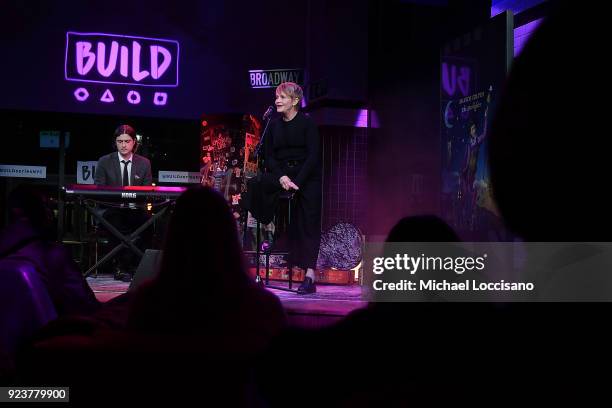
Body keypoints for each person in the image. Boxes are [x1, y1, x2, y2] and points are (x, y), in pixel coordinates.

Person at [264, 82, 322, 294]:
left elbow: (313, 156)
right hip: (284, 176)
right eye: (277, 96)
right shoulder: (273, 125)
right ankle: (267, 249)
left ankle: (309, 276)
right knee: (257, 186)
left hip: (306, 178)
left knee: (309, 223)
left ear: (295, 101)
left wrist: (298, 182)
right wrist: (282, 177)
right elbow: (269, 156)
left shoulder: (307, 124)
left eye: (282, 97)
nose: (277, 100)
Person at [94, 124, 153, 282]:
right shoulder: (104, 161)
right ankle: (121, 266)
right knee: (117, 222)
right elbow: (98, 190)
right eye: (120, 141)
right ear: (115, 142)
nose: (123, 145)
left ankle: (136, 266)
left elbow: (146, 191)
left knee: (147, 222)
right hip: (110, 209)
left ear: (134, 142)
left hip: (135, 209)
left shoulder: (144, 163)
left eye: (127, 141)